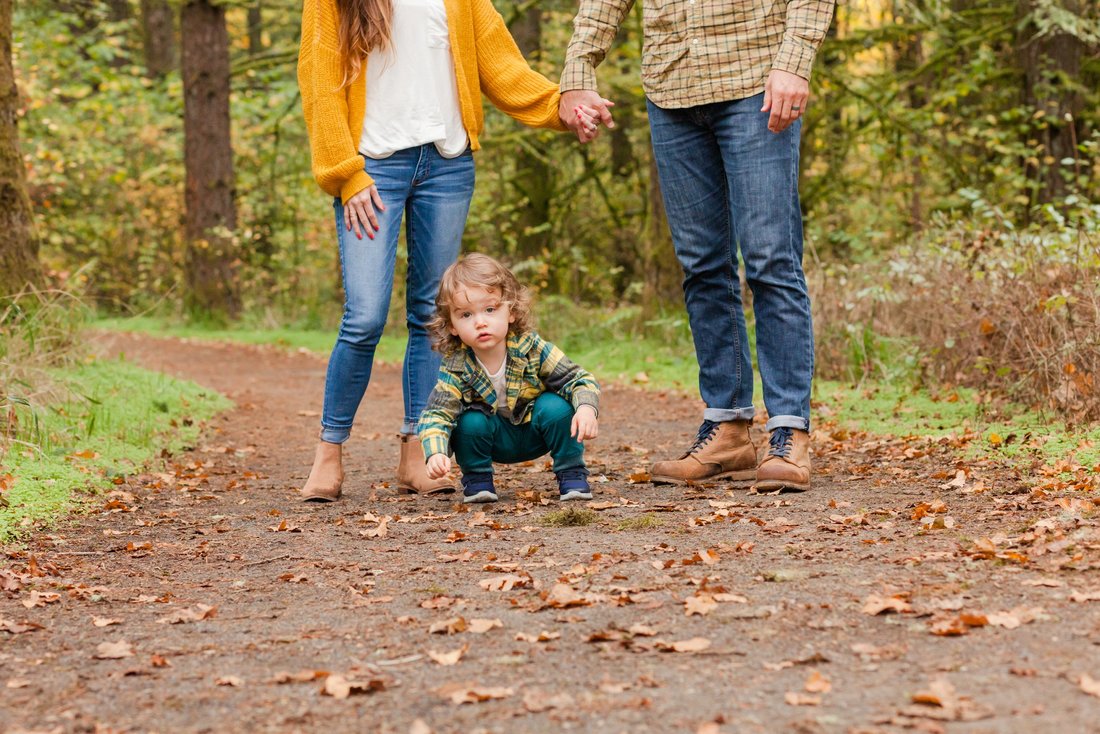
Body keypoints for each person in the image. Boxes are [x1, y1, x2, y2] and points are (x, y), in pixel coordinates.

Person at [296, 0, 601, 501]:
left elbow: (501, 65)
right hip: (371, 169)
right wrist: (343, 173)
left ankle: (417, 448)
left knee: (429, 315)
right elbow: (319, 79)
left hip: (446, 165)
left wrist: (558, 106)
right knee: (365, 317)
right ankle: (329, 451)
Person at [558, 0, 836, 492]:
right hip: (671, 86)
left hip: (756, 77)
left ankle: (789, 428)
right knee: (703, 267)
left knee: (771, 260)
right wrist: (579, 67)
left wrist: (794, 61)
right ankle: (728, 428)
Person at [417, 254, 600, 503]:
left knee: (556, 406)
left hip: (536, 432)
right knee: (469, 421)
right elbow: (436, 414)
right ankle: (478, 479)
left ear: (510, 312)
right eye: (466, 315)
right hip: (493, 441)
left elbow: (578, 379)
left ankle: (572, 474)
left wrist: (587, 408)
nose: (480, 322)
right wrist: (436, 452)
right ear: (452, 326)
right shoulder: (456, 366)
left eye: (490, 309)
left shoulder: (532, 348)